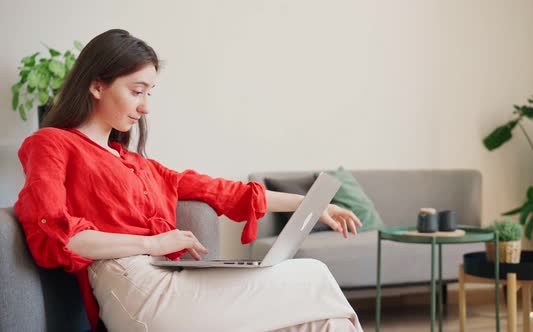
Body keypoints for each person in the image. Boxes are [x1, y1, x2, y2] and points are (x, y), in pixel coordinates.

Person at [14, 29, 364, 332]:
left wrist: (313, 207)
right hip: (134, 290)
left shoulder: (140, 165)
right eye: (137, 91)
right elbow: (59, 237)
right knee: (313, 273)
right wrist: (153, 244)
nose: (146, 107)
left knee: (324, 323)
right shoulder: (52, 144)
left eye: (150, 93)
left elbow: (223, 191)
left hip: (172, 282)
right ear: (96, 86)